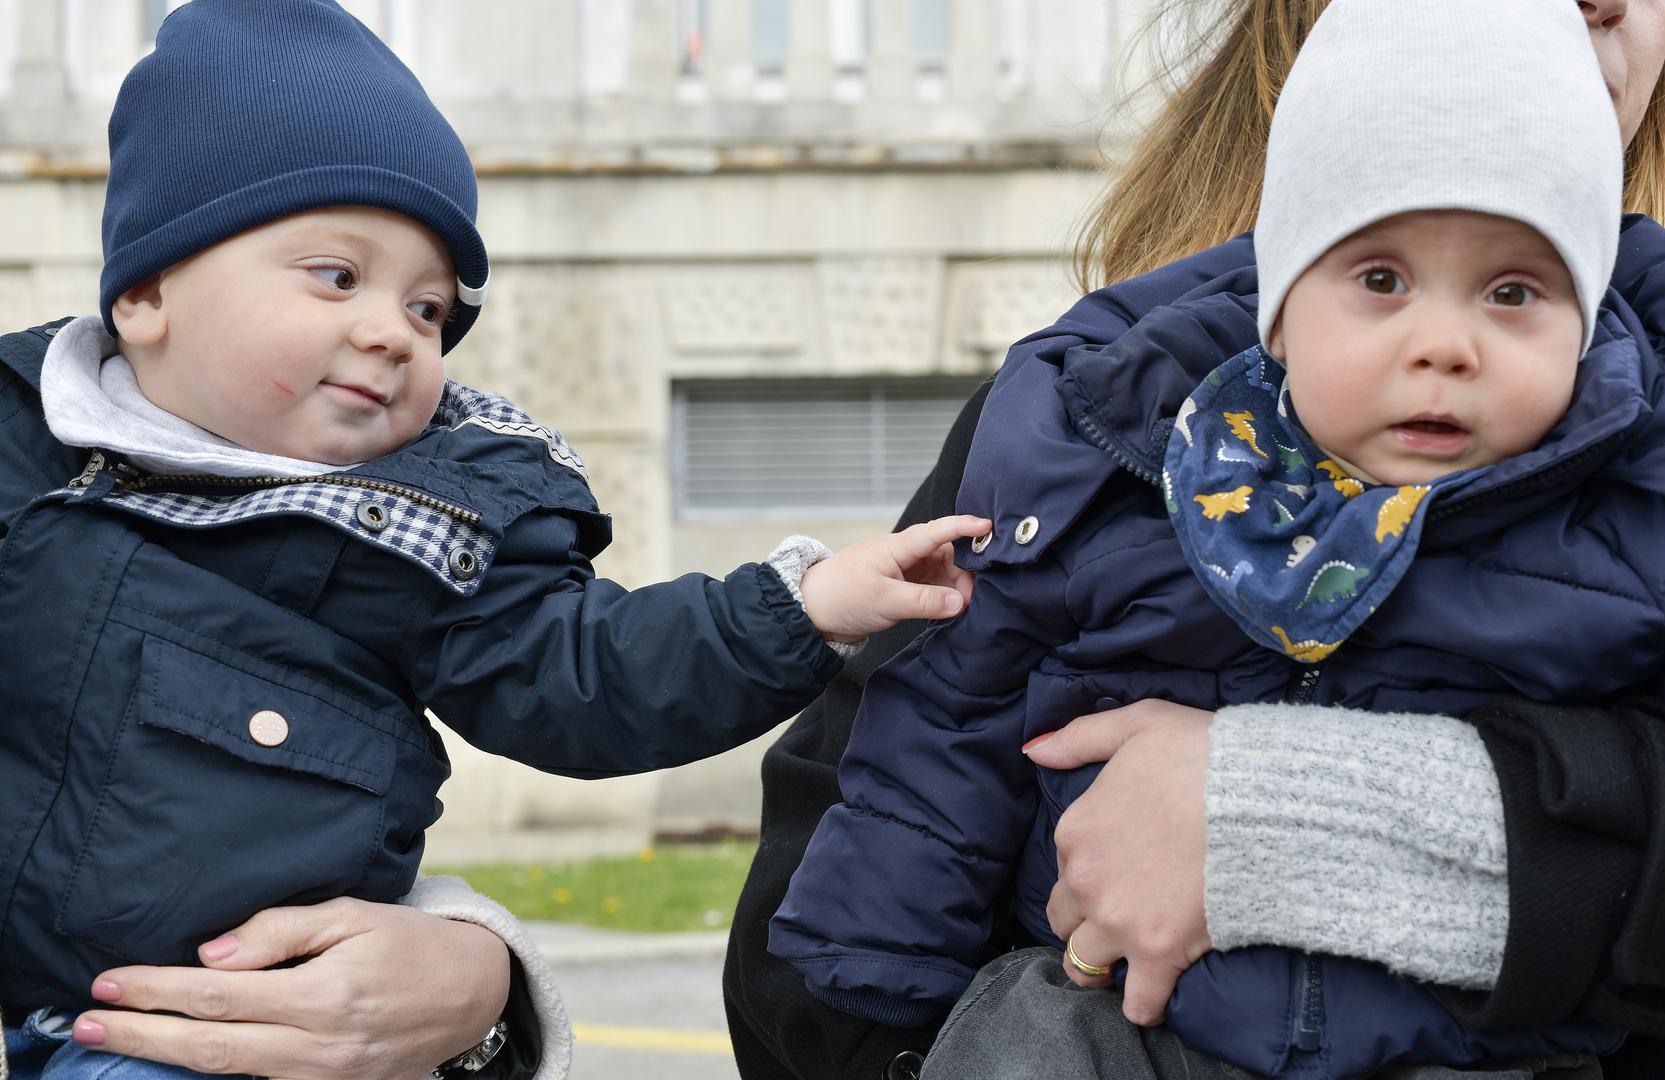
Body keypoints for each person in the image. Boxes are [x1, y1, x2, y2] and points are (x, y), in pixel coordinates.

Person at [0, 3, 989, 1079]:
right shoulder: (23, 444)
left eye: (429, 309)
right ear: (148, 295)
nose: (392, 330)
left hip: (234, 1034)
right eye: (338, 276)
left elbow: (589, 673)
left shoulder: (427, 521)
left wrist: (799, 607)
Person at [724, 1, 1665, 1079]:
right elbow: (918, 750)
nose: (1445, 343)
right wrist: (886, 1005)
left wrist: (1302, 819)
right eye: (1379, 279)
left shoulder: (1631, 484)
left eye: (1514, 291)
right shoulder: (1094, 413)